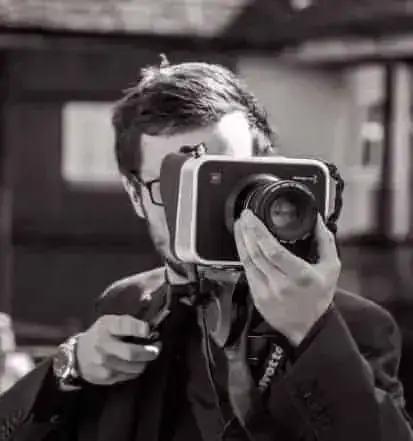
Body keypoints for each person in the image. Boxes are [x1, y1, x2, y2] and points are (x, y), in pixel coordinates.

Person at [0, 58, 411, 441]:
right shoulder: (126, 305)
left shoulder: (354, 326)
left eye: (220, 178)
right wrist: (70, 367)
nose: (197, 208)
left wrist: (312, 333)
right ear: (135, 195)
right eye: (175, 185)